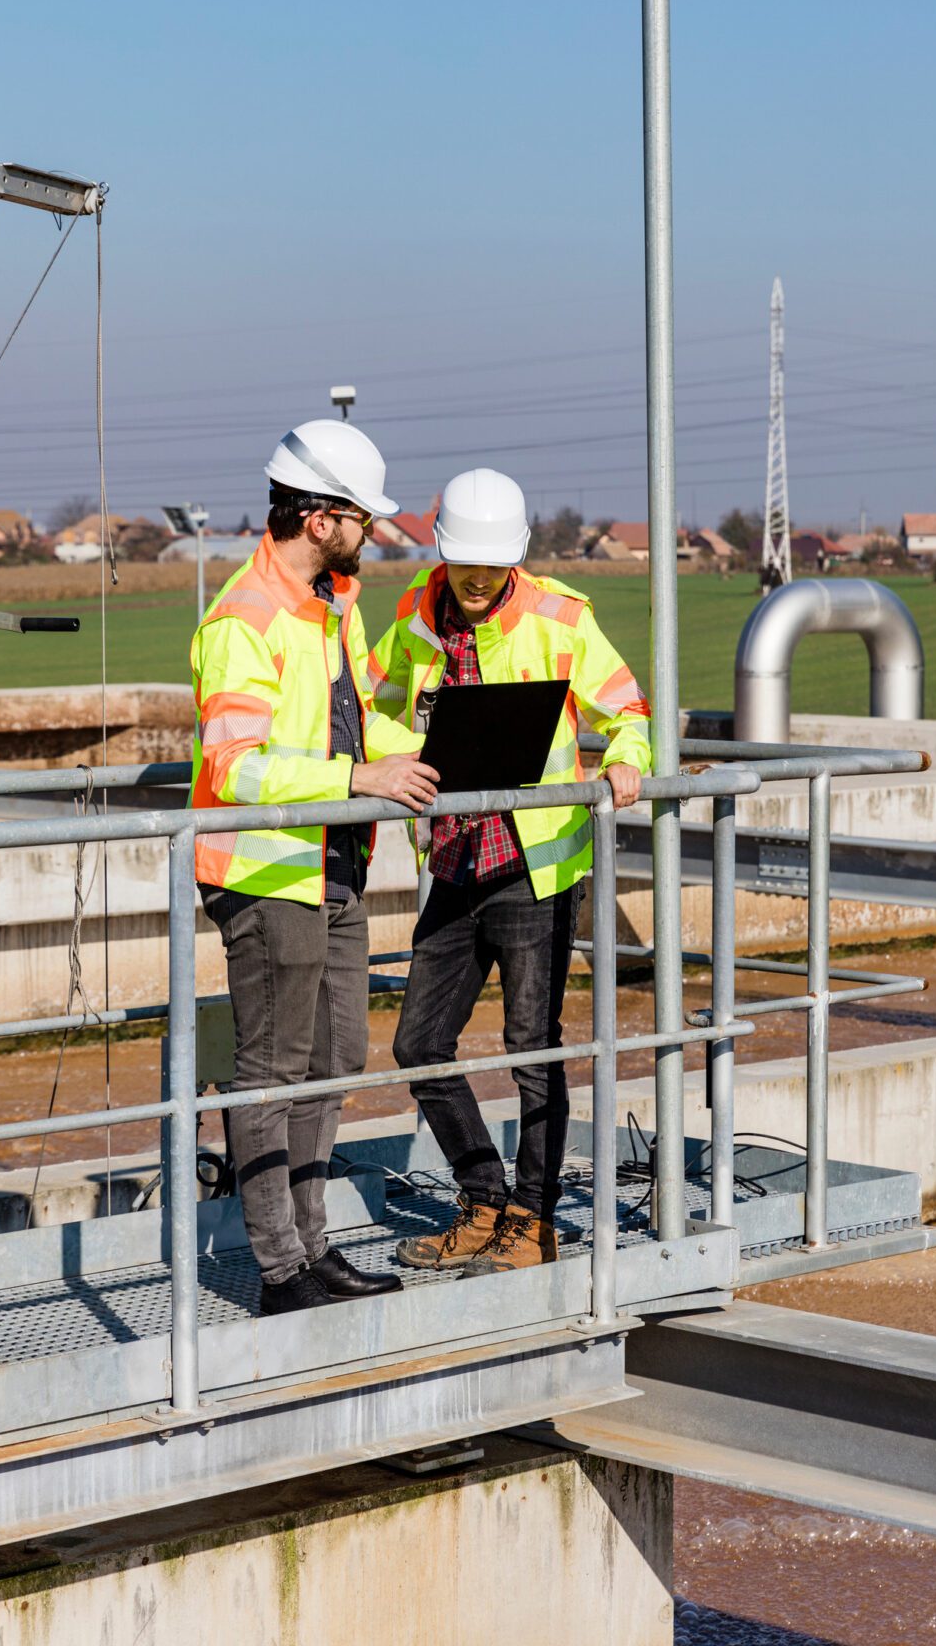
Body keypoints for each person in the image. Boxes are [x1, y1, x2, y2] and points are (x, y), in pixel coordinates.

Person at [369, 468, 649, 1275]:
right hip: (454, 860)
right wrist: (397, 762)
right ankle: (483, 1196)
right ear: (443, 553)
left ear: (516, 557)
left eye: (495, 564)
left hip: (536, 864)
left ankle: (534, 1221)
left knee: (533, 1048)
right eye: (468, 564)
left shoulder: (562, 617)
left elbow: (627, 710)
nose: (482, 579)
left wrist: (627, 761)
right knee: (420, 1043)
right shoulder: (413, 618)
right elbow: (380, 706)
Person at [191, 420, 440, 1315]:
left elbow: (356, 723)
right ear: (323, 516)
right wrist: (355, 777)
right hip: (266, 876)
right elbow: (235, 766)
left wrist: (440, 755)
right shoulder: (242, 620)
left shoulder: (331, 606)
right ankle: (279, 1271)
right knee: (271, 1071)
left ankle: (314, 1247)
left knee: (335, 1055)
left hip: (335, 863)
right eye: (364, 519)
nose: (372, 535)